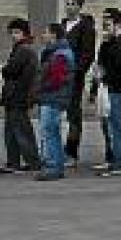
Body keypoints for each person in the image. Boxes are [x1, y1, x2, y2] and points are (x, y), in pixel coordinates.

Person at [90, 10, 121, 177]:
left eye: (107, 24)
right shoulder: (112, 42)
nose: (104, 28)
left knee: (117, 128)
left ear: (117, 24)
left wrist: (104, 74)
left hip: (119, 90)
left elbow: (120, 68)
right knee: (112, 126)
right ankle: (115, 161)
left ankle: (119, 164)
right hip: (112, 88)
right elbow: (102, 62)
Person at [0, 18, 41, 174]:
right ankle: (14, 162)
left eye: (17, 32)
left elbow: (11, 70)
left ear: (25, 33)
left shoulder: (24, 50)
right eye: (12, 32)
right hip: (15, 95)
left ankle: (33, 162)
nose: (14, 35)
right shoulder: (21, 49)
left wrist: (5, 69)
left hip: (18, 95)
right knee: (12, 131)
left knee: (21, 130)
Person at [59, 0, 98, 167]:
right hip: (59, 75)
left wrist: (77, 71)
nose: (69, 7)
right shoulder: (62, 25)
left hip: (74, 76)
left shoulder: (85, 27)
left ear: (80, 6)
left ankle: (71, 152)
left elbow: (87, 54)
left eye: (73, 4)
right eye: (67, 3)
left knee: (74, 114)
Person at [35, 22, 76, 181]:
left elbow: (56, 79)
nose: (43, 36)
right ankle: (55, 164)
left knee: (49, 131)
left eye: (45, 32)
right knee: (53, 132)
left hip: (53, 97)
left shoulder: (60, 54)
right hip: (53, 97)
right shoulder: (56, 52)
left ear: (54, 35)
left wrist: (40, 88)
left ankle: (53, 165)